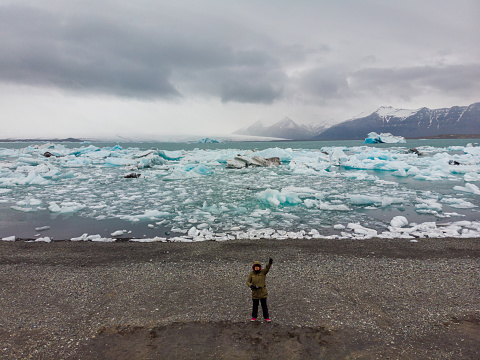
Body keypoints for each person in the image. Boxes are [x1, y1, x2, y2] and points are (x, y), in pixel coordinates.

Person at [246, 258, 273, 322]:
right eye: (256, 267)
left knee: (264, 306)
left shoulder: (263, 272)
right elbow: (248, 282)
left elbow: (267, 268)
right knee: (255, 306)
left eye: (258, 267)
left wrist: (270, 263)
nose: (257, 268)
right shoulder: (251, 273)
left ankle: (266, 317)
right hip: (255, 293)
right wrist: (251, 286)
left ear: (260, 267)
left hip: (262, 292)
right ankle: (254, 317)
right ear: (254, 267)